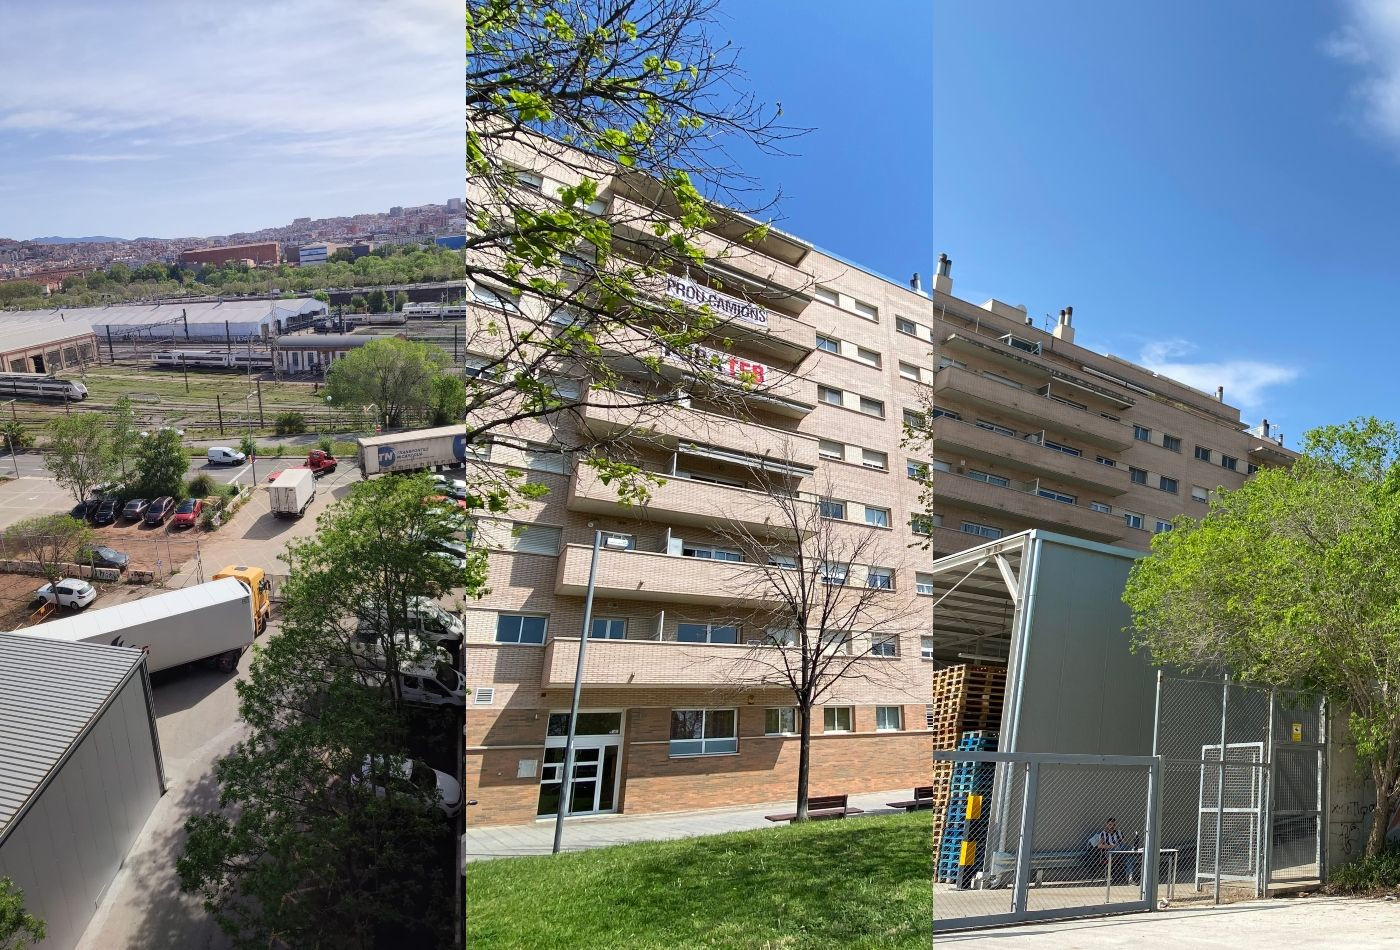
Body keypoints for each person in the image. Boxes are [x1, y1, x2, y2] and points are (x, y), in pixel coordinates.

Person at [1087, 817, 1138, 884]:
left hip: (1120, 853)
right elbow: (1100, 846)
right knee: (1120, 847)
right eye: (1110, 825)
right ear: (1107, 825)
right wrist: (1110, 846)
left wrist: (1119, 846)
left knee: (1130, 858)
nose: (1112, 827)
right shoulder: (1103, 834)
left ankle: (1130, 878)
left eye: (1113, 825)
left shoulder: (1119, 832)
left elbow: (1123, 843)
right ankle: (1133, 849)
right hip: (1110, 853)